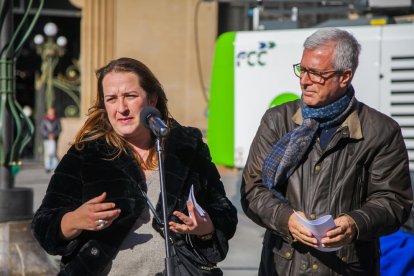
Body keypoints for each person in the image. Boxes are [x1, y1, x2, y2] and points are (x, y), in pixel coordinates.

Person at [32, 57, 238, 275]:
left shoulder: (187, 148)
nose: (121, 108)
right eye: (111, 99)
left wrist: (205, 228)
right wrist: (75, 220)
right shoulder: (86, 153)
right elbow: (43, 224)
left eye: (130, 96)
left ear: (152, 99)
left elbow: (224, 212)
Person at [240, 28, 413, 275]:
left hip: (346, 267)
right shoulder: (277, 120)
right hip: (283, 265)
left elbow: (394, 202)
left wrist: (354, 224)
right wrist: (286, 219)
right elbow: (252, 188)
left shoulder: (382, 131)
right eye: (302, 69)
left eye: (317, 73)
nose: (304, 80)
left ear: (345, 77)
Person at [40, 107, 62, 172]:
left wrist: (54, 135)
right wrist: (48, 135)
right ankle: (47, 166)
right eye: (50, 111)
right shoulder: (44, 119)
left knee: (53, 152)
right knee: (47, 153)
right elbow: (42, 129)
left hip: (54, 139)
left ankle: (54, 166)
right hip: (46, 139)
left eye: (52, 111)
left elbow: (59, 129)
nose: (51, 113)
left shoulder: (57, 119)